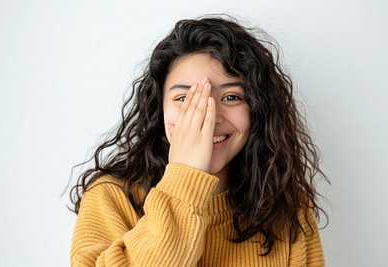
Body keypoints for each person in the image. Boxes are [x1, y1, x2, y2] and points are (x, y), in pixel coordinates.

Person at [69, 15, 328, 266]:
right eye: (184, 99)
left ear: (257, 109)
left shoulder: (287, 209)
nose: (208, 116)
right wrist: (185, 177)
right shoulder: (109, 198)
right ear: (159, 110)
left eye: (231, 97)